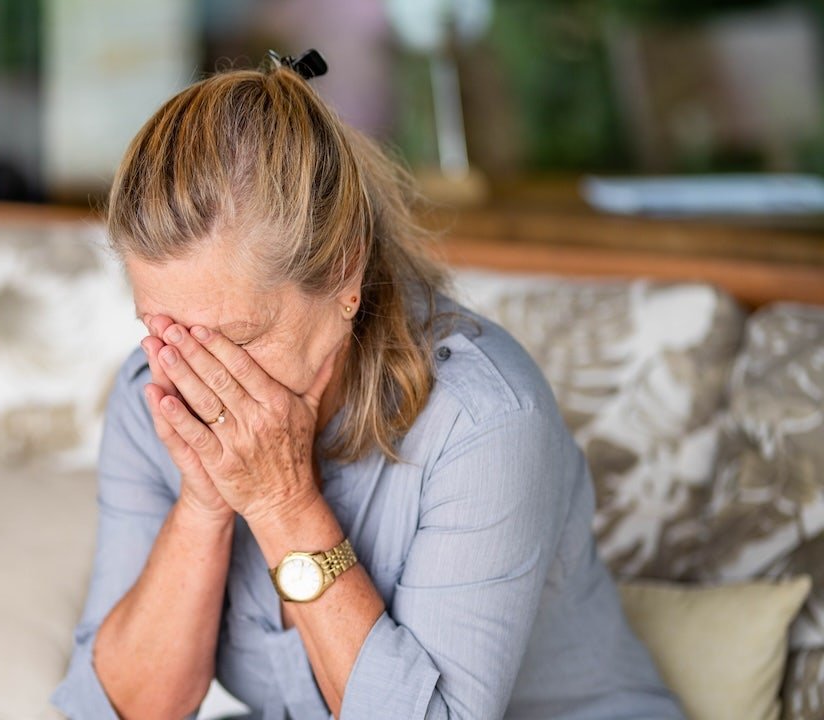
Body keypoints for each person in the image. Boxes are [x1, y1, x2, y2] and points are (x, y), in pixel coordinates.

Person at [51, 53, 683, 720]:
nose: (201, 377)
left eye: (237, 338)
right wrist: (204, 503)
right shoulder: (155, 392)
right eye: (166, 331)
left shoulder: (484, 420)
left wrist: (280, 501)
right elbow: (116, 711)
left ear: (344, 274)